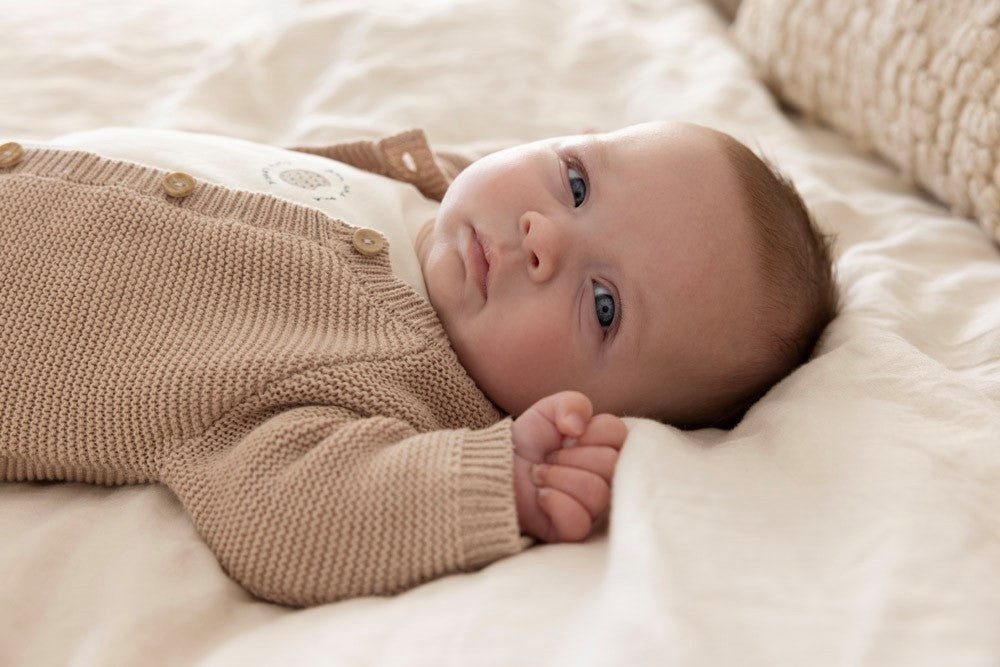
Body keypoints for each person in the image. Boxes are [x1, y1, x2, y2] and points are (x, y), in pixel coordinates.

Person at [0, 120, 836, 606]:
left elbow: (289, 516)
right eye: (575, 181)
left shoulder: (389, 384)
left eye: (604, 305)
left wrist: (489, 479)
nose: (544, 235)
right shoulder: (433, 201)